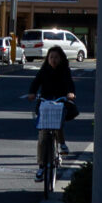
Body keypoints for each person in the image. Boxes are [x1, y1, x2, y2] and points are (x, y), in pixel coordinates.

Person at [27, 43, 78, 181]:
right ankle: (41, 166)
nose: (53, 59)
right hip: (45, 102)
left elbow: (69, 84)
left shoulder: (64, 71)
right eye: (51, 57)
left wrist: (70, 93)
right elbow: (35, 82)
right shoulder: (44, 70)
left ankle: (62, 143)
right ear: (47, 59)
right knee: (43, 135)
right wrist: (32, 93)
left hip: (60, 102)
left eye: (56, 57)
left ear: (61, 58)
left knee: (57, 121)